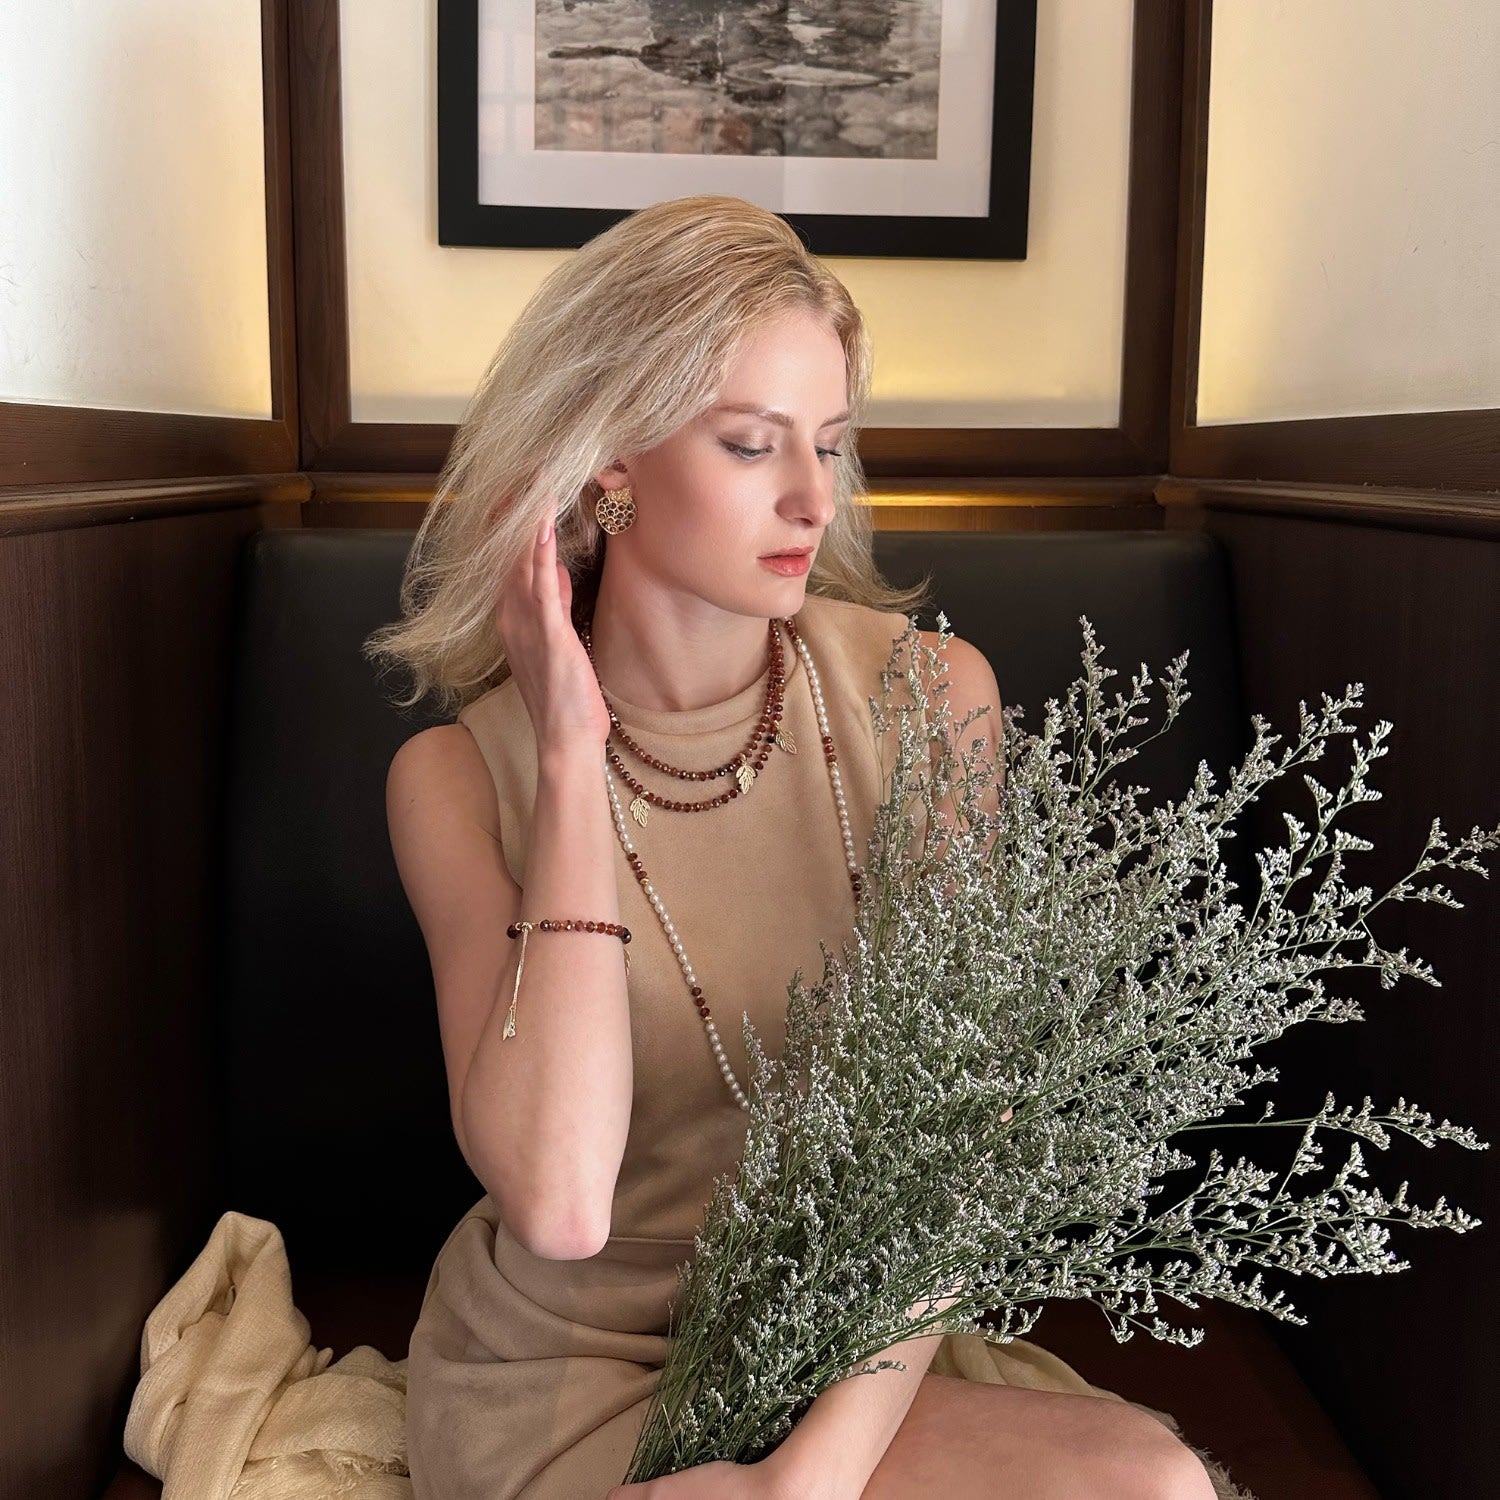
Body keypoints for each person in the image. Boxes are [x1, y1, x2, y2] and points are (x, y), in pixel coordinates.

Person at [369, 195, 1229, 1500]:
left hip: (850, 1342)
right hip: (566, 1375)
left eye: (828, 444)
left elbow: (960, 1153)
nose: (810, 498)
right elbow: (557, 1202)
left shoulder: (935, 701)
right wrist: (567, 753)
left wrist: (795, 1487)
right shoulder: (455, 779)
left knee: (1153, 1484)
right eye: (750, 444)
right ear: (608, 463)